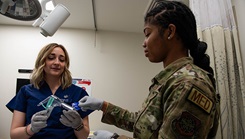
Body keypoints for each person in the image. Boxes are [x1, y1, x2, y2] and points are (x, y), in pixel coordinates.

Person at [78, 1, 220, 139]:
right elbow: (144, 124)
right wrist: (103, 105)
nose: (144, 43)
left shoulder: (188, 84)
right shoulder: (171, 80)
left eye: (147, 34)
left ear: (170, 32)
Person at [6, 43, 93, 139]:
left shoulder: (78, 93)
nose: (57, 62)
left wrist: (78, 125)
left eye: (62, 59)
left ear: (65, 64)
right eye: (51, 58)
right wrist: (31, 128)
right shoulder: (26, 91)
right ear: (42, 61)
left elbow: (84, 136)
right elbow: (14, 135)